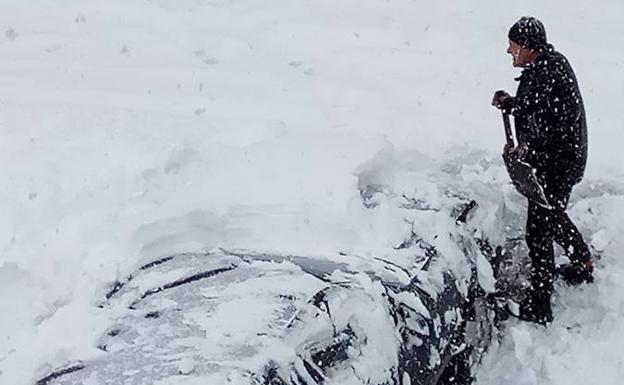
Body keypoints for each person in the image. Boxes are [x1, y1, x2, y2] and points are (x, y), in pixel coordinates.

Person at [492, 16, 593, 324]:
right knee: (552, 215)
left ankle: (539, 305)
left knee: (538, 231)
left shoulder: (546, 74)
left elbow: (556, 126)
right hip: (560, 161)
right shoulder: (547, 65)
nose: (509, 52)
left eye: (513, 46)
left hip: (558, 166)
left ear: (527, 47)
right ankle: (581, 263)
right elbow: (539, 108)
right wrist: (514, 104)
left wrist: (528, 149)